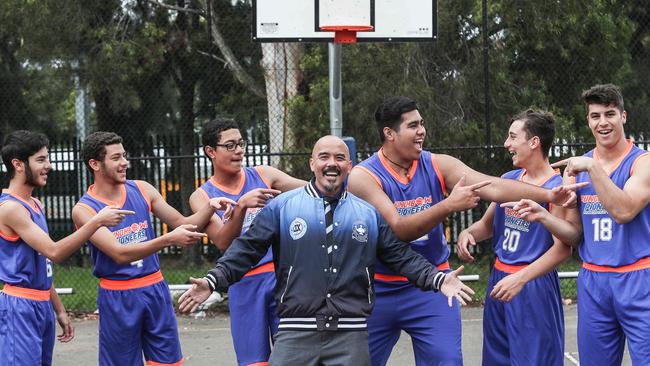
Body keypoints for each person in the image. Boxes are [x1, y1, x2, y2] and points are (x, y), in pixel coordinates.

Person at [178, 135, 475, 365]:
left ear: (349, 166)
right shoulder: (282, 207)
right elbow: (245, 251)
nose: (331, 163)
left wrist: (438, 279)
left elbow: (400, 256)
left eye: (339, 158)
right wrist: (213, 281)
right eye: (324, 157)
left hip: (350, 332)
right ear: (312, 164)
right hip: (295, 330)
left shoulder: (367, 213)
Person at [347, 96, 582, 365]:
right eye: (413, 125)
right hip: (381, 289)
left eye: (422, 123)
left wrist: (550, 194)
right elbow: (400, 229)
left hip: (434, 285)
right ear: (389, 133)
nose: (422, 130)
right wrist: (449, 206)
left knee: (448, 360)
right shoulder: (364, 176)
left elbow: (492, 187)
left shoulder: (437, 163)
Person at [508, 84, 650, 366]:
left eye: (610, 114)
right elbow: (573, 237)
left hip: (639, 278)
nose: (603, 122)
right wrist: (544, 215)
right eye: (595, 116)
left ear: (623, 116)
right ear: (588, 120)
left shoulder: (641, 163)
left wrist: (593, 167)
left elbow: (624, 211)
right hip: (593, 281)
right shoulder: (576, 170)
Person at [71, 131, 234, 366]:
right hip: (119, 295)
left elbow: (181, 223)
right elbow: (119, 253)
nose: (125, 162)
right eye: (116, 157)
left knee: (168, 362)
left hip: (155, 288)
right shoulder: (85, 210)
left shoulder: (142, 189)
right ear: (95, 164)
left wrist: (210, 207)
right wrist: (167, 240)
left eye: (124, 155)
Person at [0, 130, 131, 366]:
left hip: (41, 304)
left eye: (47, 159)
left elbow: (43, 262)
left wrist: (58, 309)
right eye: (40, 160)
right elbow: (54, 252)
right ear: (18, 165)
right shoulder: (10, 208)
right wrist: (96, 221)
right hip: (19, 307)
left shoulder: (34, 204)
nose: (48, 166)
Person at [456, 110, 572, 365]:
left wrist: (522, 277)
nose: (507, 144)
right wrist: (468, 233)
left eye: (512, 137)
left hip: (533, 283)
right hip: (500, 279)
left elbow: (563, 249)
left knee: (533, 360)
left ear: (534, 142)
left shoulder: (557, 187)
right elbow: (487, 225)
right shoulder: (508, 180)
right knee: (497, 357)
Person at [189, 117, 305, 366]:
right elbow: (222, 242)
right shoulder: (202, 196)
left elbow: (312, 191)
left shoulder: (265, 175)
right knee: (254, 361)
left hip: (281, 278)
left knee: (294, 357)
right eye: (230, 145)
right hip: (243, 282)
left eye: (241, 143)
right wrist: (241, 206)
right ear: (210, 151)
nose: (239, 150)